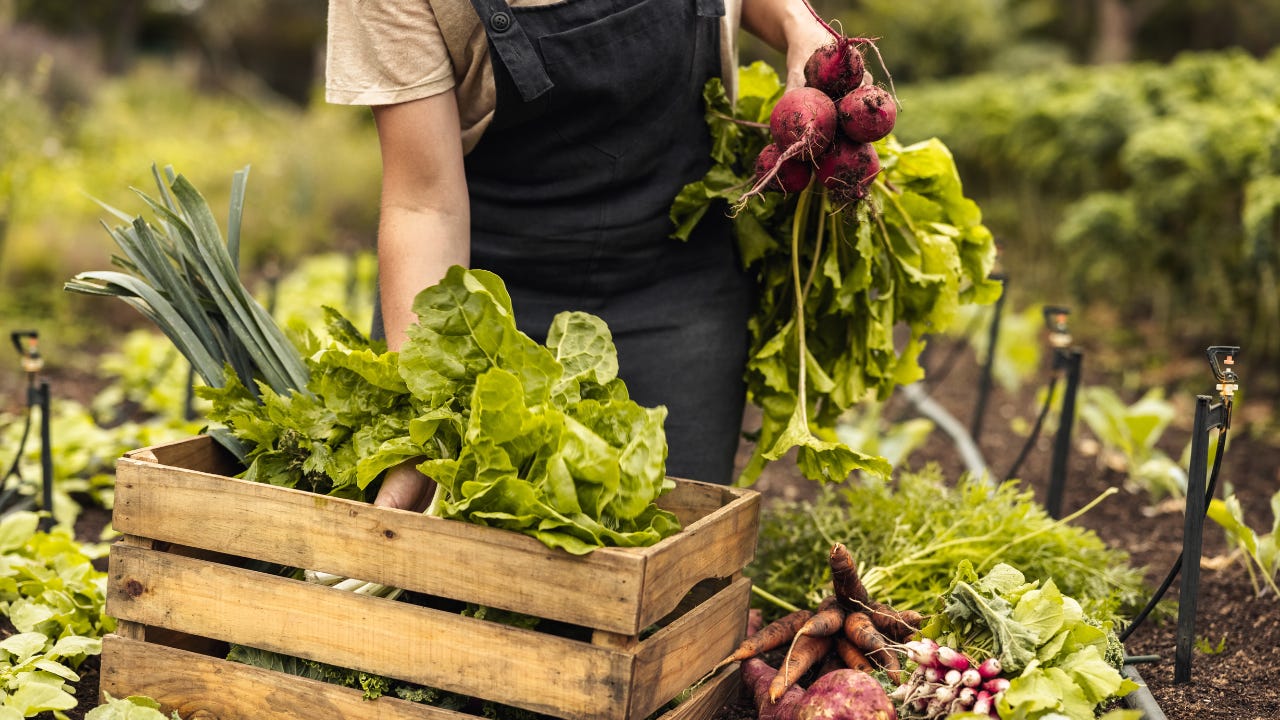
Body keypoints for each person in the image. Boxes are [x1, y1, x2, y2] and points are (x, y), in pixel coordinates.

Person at [326, 0, 832, 509]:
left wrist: (795, 22)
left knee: (670, 558)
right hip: (486, 312)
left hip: (680, 282)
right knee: (452, 573)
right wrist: (424, 413)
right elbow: (424, 206)